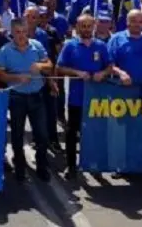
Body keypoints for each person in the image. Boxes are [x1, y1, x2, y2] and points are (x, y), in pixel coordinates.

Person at [57, 14, 112, 179]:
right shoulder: (70, 46)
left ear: (94, 26)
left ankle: (94, 164)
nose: (86, 29)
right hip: (76, 98)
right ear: (77, 27)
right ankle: (72, 165)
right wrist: (77, 72)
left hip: (96, 99)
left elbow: (110, 66)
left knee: (95, 133)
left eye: (89, 26)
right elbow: (60, 68)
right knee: (72, 132)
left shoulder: (101, 46)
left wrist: (102, 73)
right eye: (83, 26)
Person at [0, 19, 52, 182]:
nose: (21, 35)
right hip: (16, 97)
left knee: (42, 135)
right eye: (18, 32)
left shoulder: (37, 46)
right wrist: (17, 77)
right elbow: (0, 74)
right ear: (12, 33)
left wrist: (40, 67)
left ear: (28, 31)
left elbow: (49, 65)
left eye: (24, 31)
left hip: (37, 96)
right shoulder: (4, 51)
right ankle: (20, 167)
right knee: (17, 134)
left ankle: (42, 166)